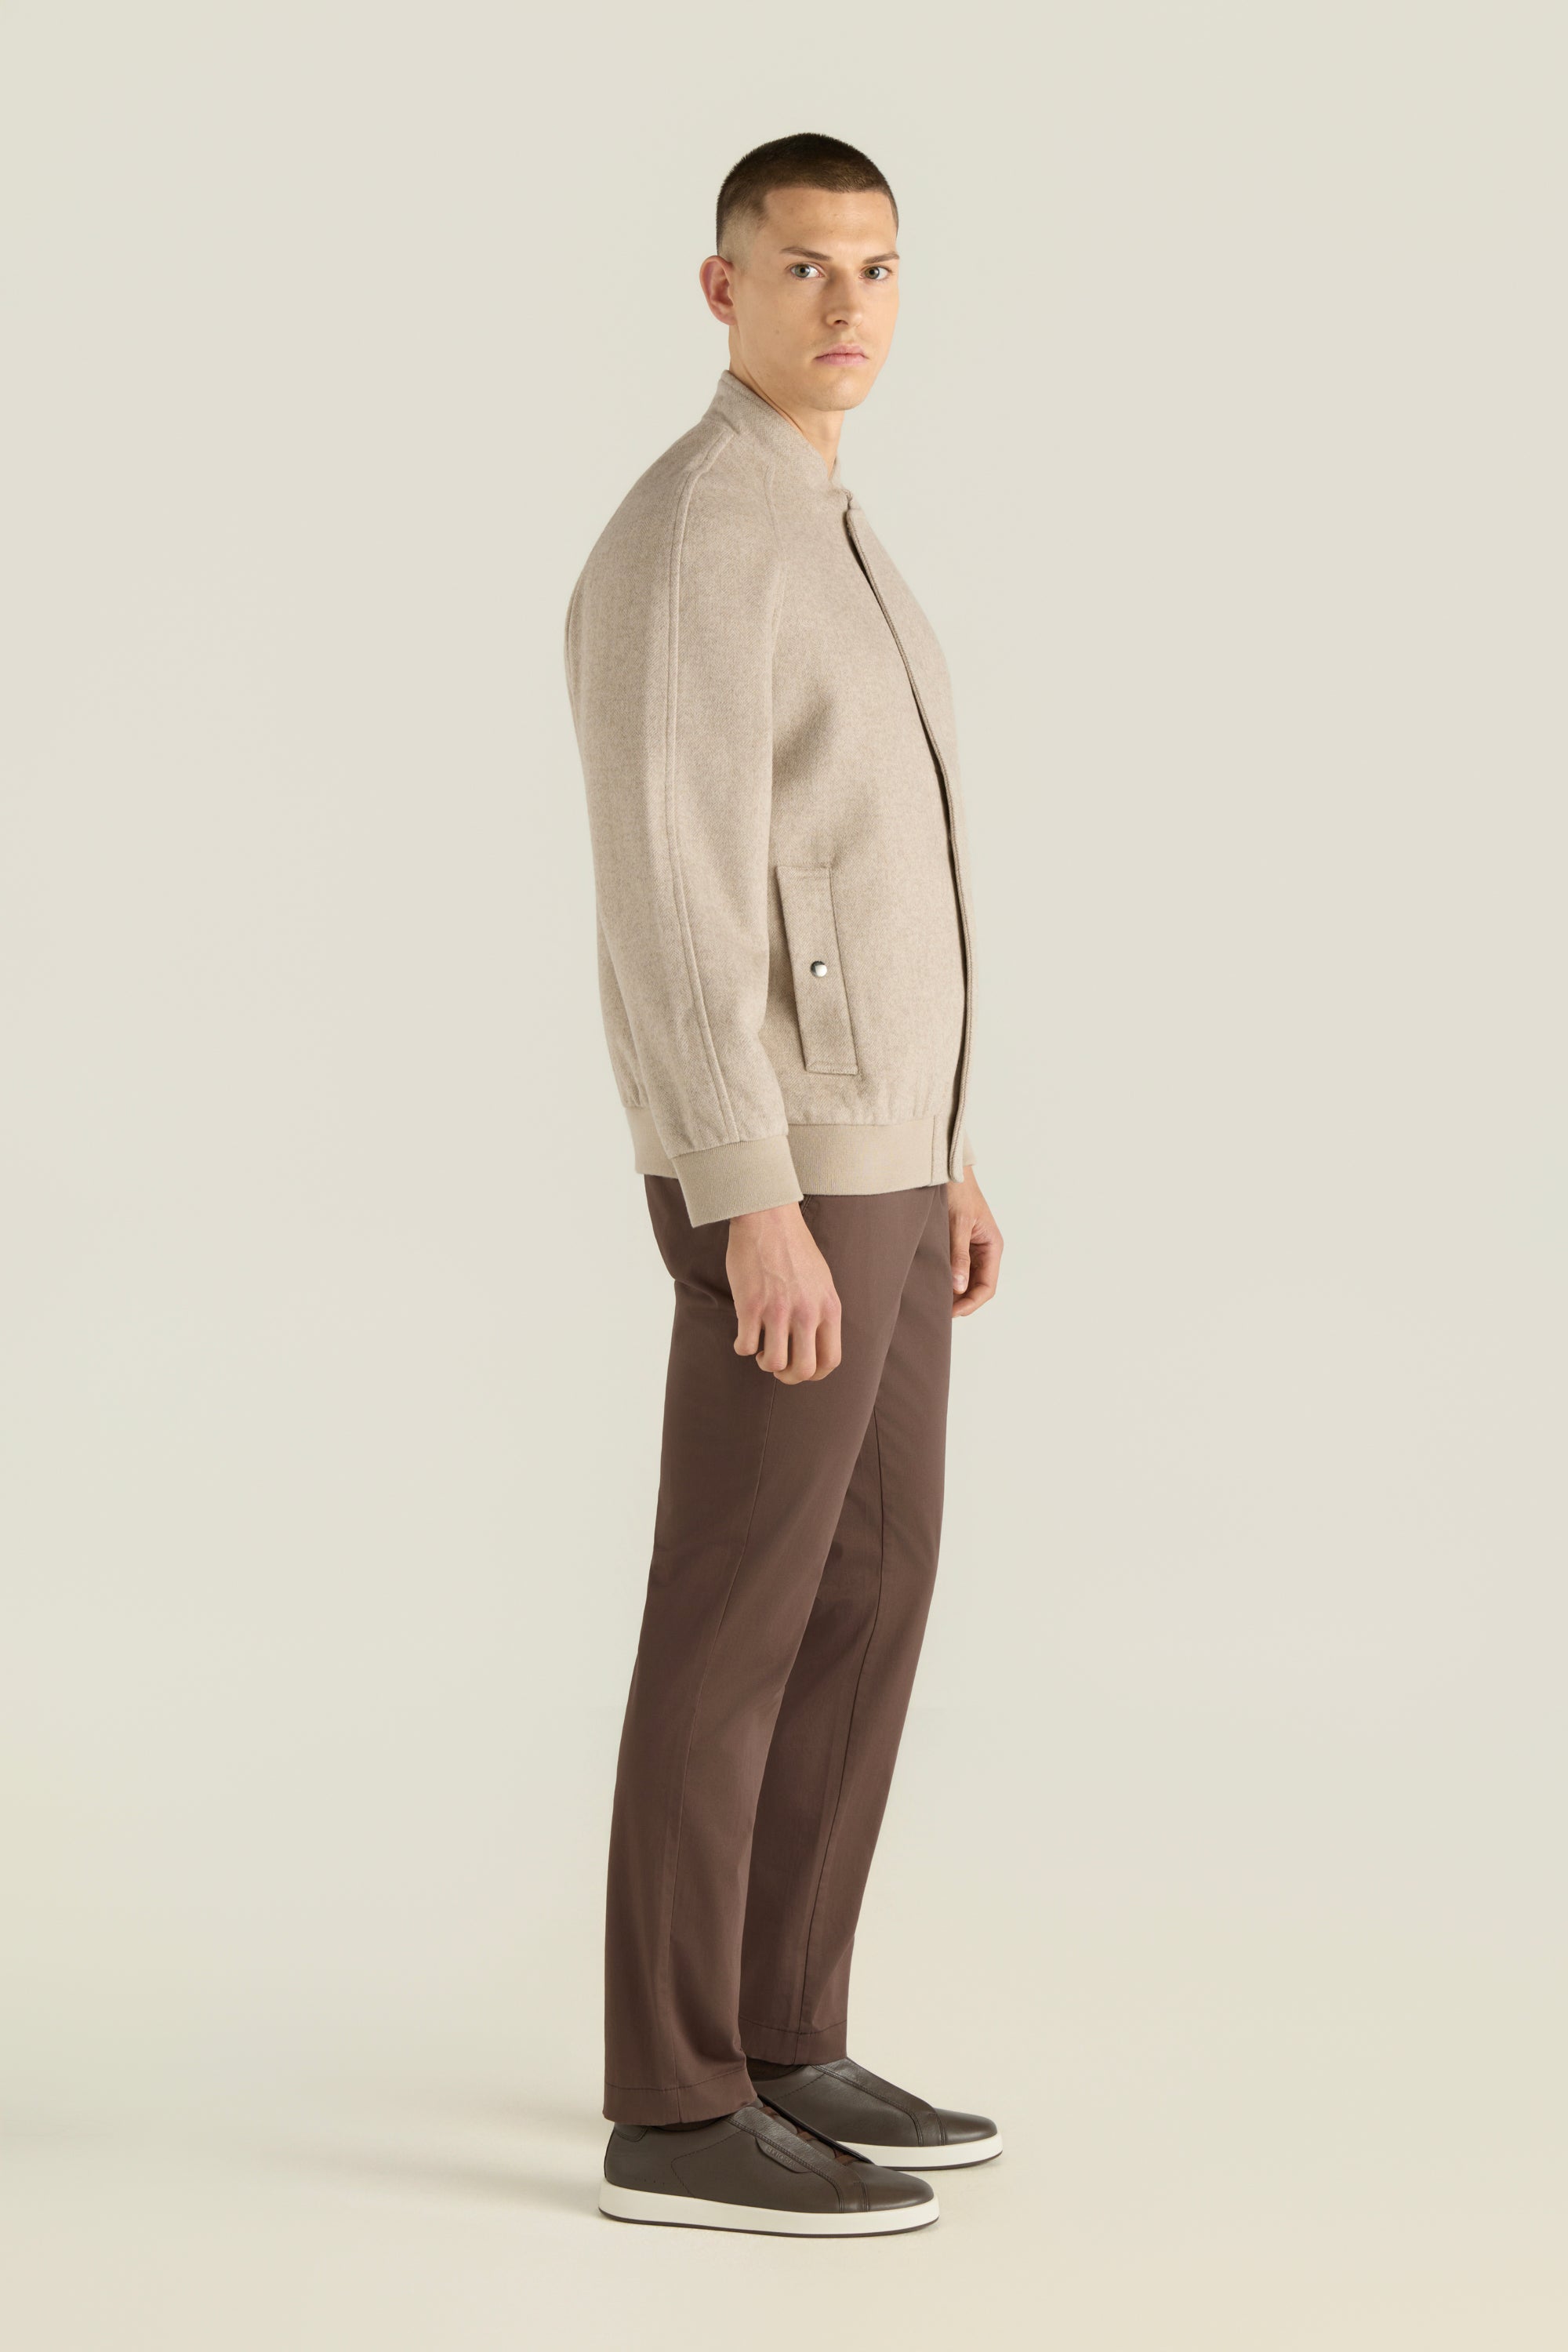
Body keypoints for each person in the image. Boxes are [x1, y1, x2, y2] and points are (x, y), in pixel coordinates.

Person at [564, 132, 1004, 2237]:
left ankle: (779, 2033)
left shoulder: (831, 520)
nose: (848, 305)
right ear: (721, 287)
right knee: (735, 1617)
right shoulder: (695, 536)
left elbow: (870, 872)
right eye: (805, 265)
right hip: (787, 1179)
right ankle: (672, 2110)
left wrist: (946, 1151)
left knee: (873, 1591)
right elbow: (675, 894)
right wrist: (753, 1192)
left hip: (885, 1165)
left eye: (878, 268)